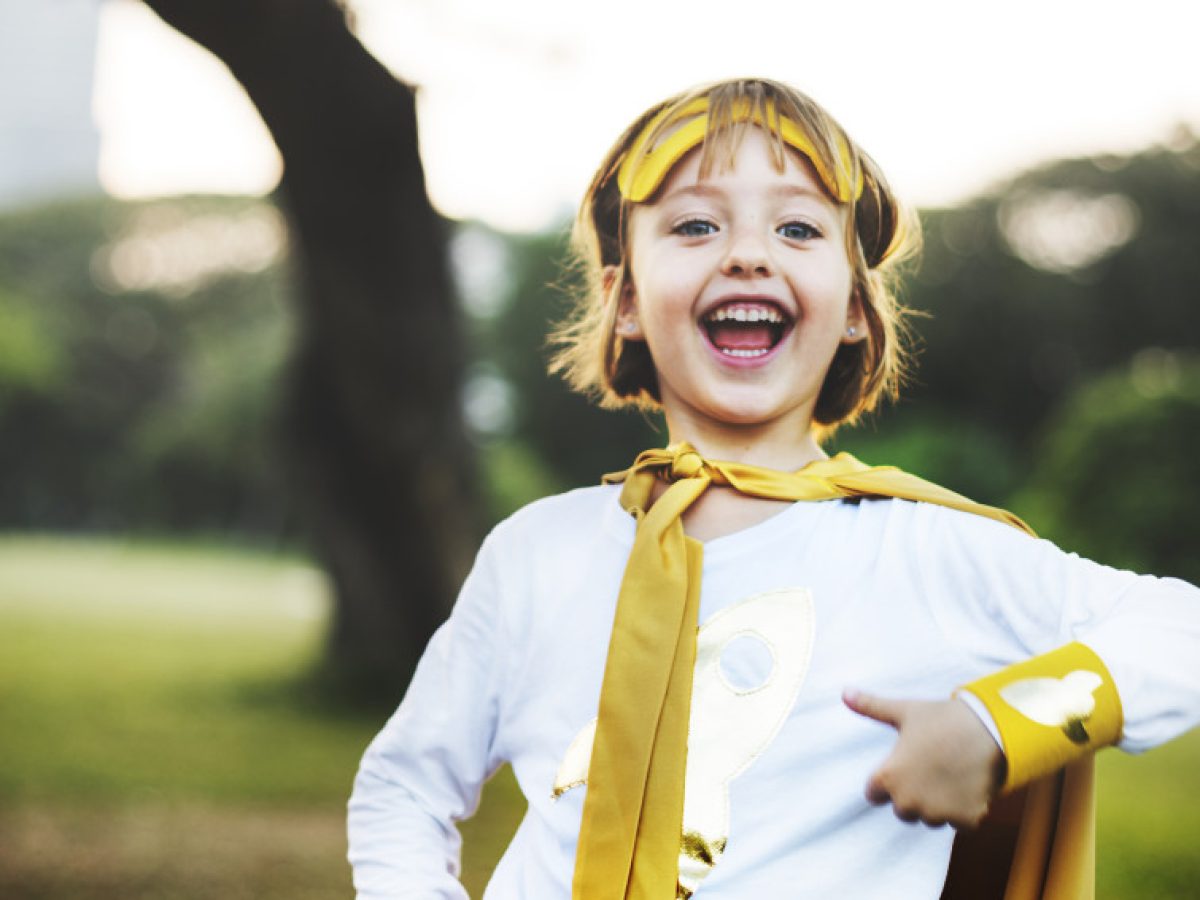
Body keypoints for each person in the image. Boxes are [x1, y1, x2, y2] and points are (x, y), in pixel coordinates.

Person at [347, 78, 1200, 899]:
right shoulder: (536, 554)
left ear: (856, 307)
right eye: (693, 226)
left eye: (797, 229)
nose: (749, 253)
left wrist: (1001, 725)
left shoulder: (926, 551)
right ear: (627, 299)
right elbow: (404, 787)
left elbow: (1182, 632)